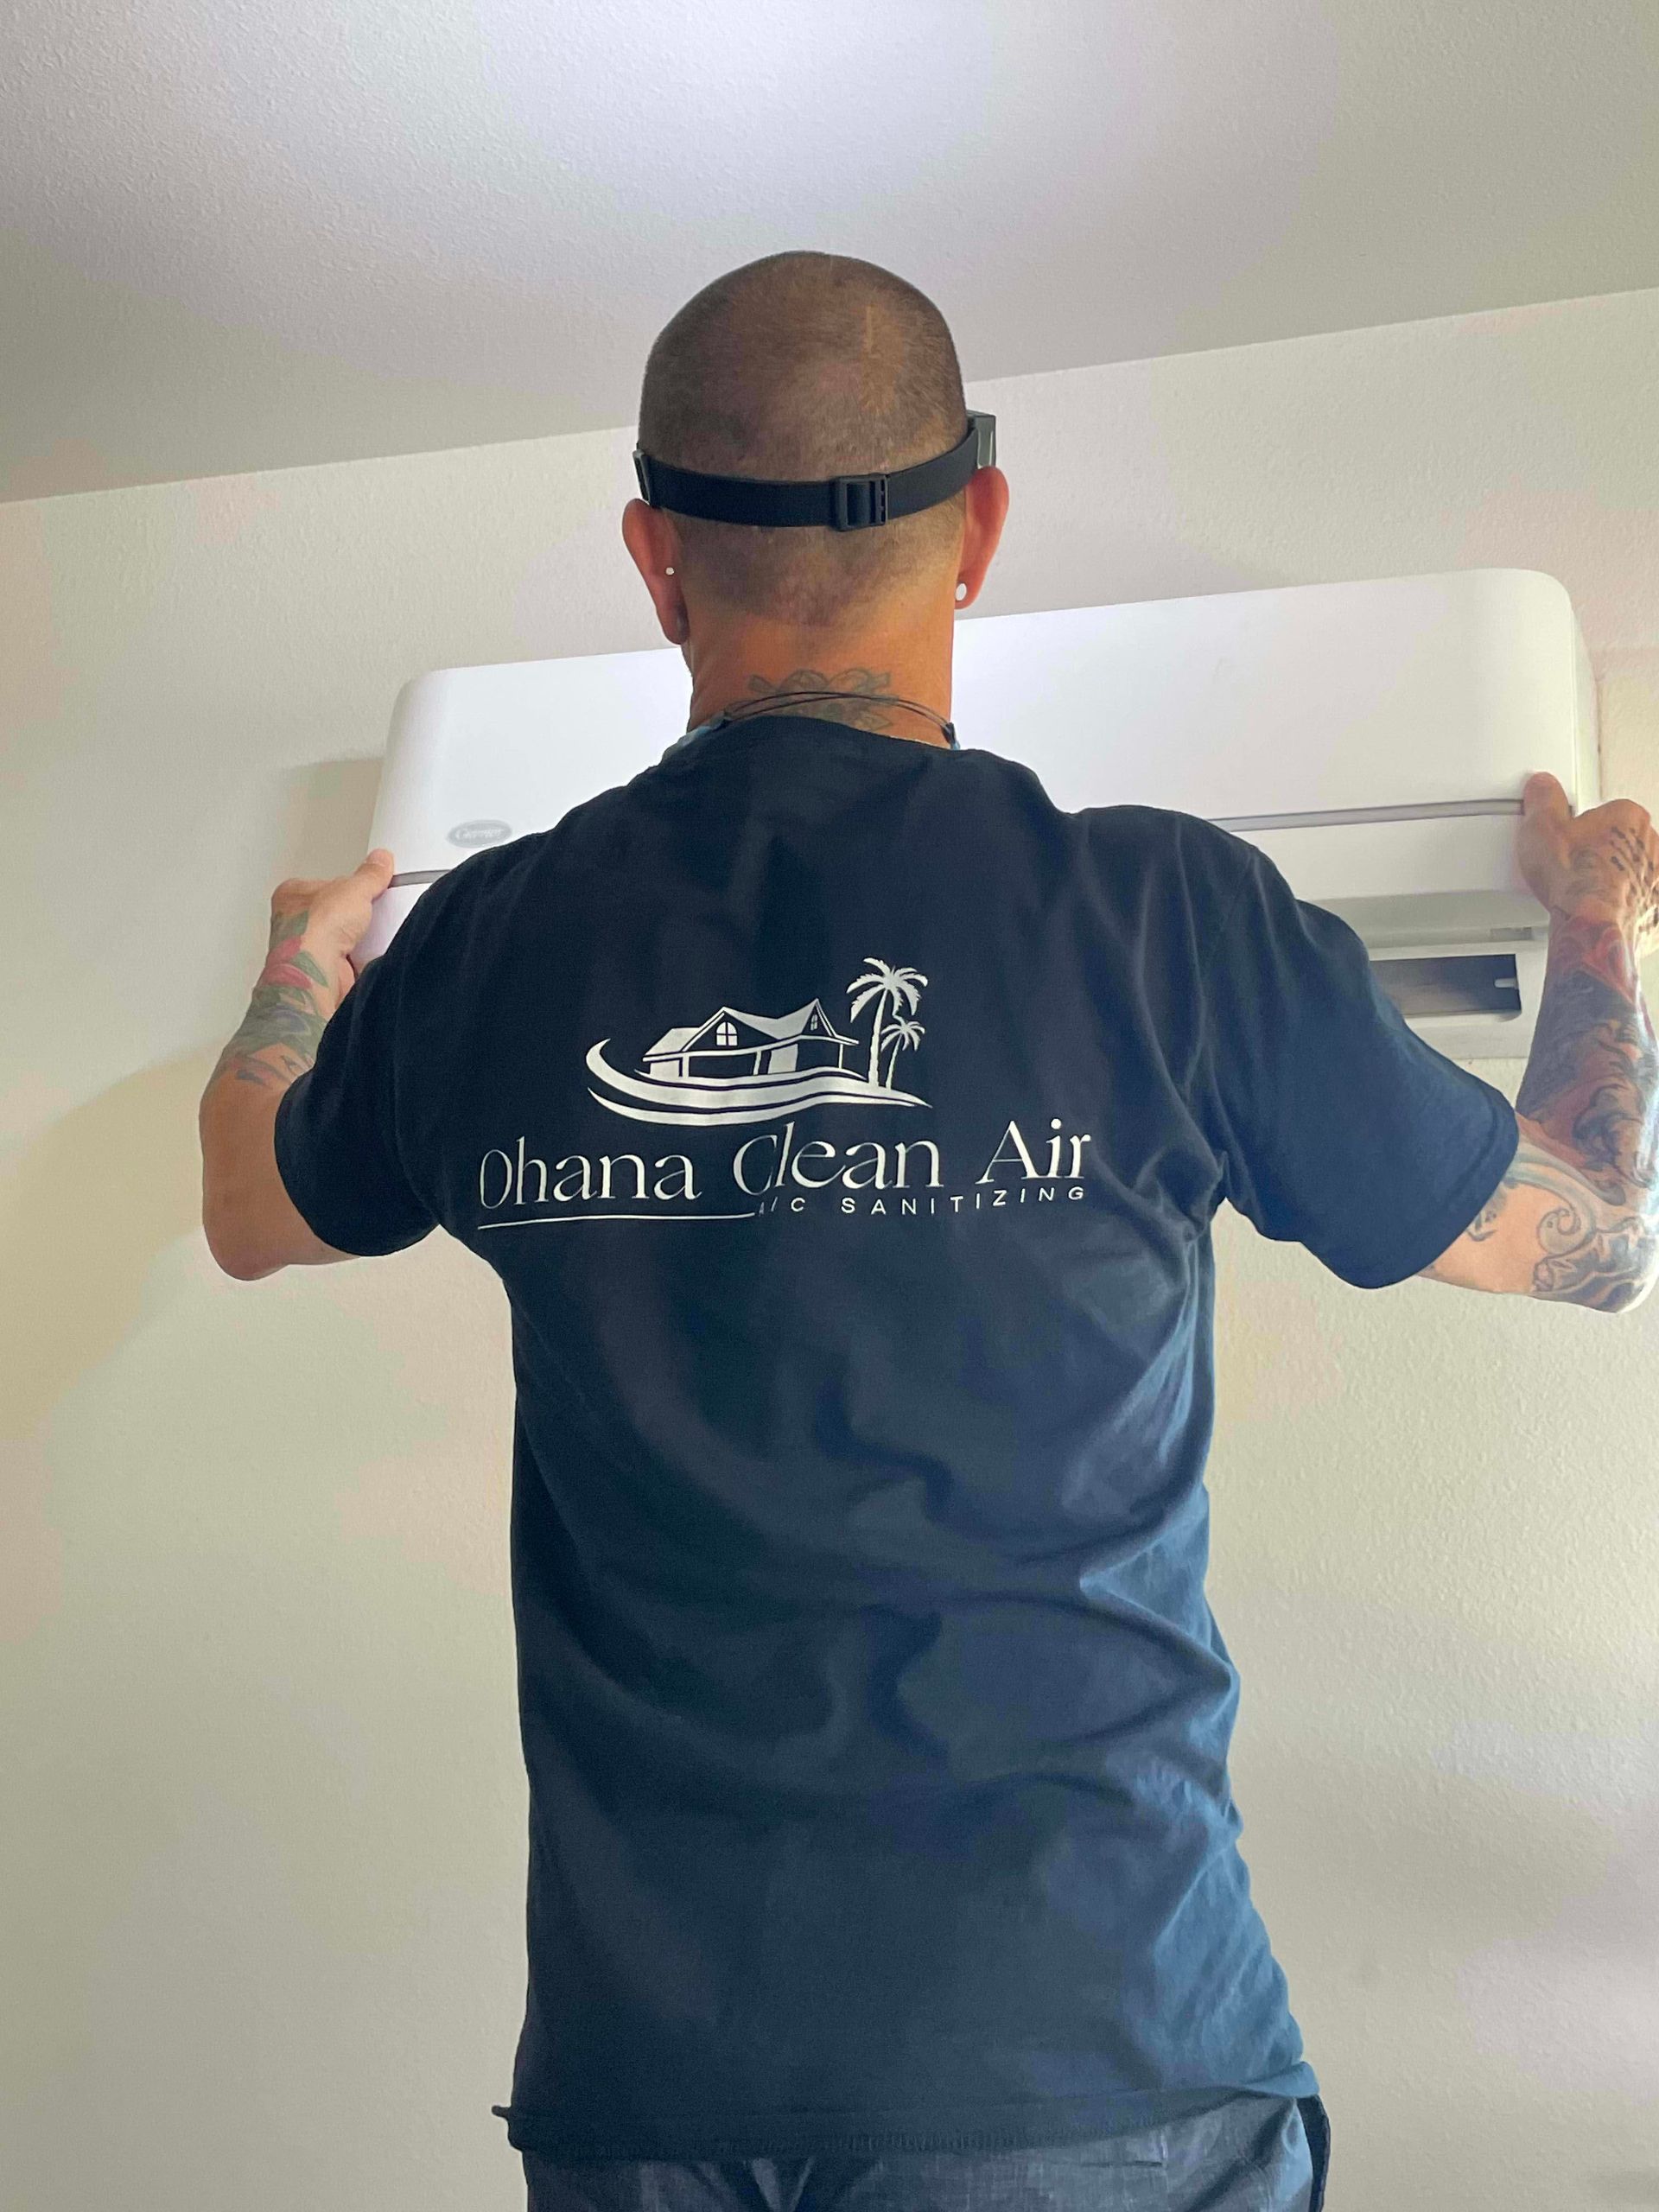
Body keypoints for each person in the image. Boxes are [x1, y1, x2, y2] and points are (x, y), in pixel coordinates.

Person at [198, 251, 1659, 2212]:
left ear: (654, 560)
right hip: (1090, 2047)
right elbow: (1588, 1221)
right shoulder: (1167, 920)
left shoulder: (484, 951)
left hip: (652, 2087)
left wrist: (300, 967)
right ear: (976, 525)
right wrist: (1598, 909)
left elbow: (244, 1201)